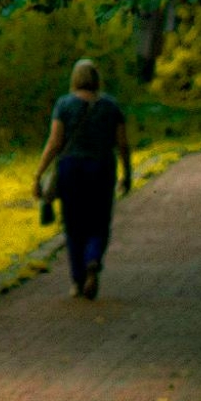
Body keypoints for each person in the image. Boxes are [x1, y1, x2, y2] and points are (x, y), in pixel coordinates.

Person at [32, 58, 134, 299]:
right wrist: (127, 173)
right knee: (99, 222)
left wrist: (39, 173)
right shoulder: (111, 106)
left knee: (74, 225)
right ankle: (93, 259)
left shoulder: (64, 105)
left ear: (74, 79)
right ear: (96, 79)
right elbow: (122, 144)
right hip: (102, 167)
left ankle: (78, 280)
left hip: (72, 169)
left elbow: (55, 142)